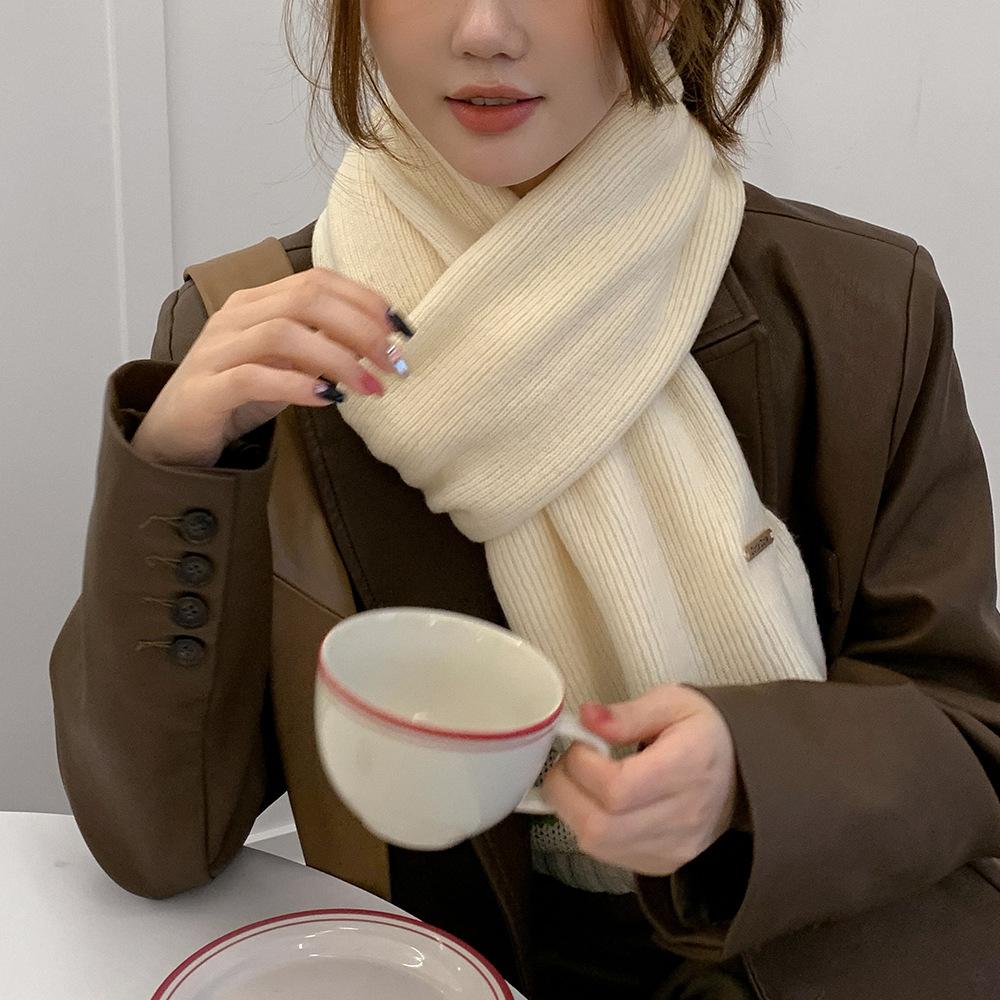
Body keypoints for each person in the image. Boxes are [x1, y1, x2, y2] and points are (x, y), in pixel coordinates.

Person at [49, 2, 1000, 998]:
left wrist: (753, 775)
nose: (484, 31)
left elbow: (969, 732)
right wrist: (177, 461)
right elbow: (156, 842)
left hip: (803, 950)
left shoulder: (858, 307)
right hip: (429, 972)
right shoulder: (260, 349)